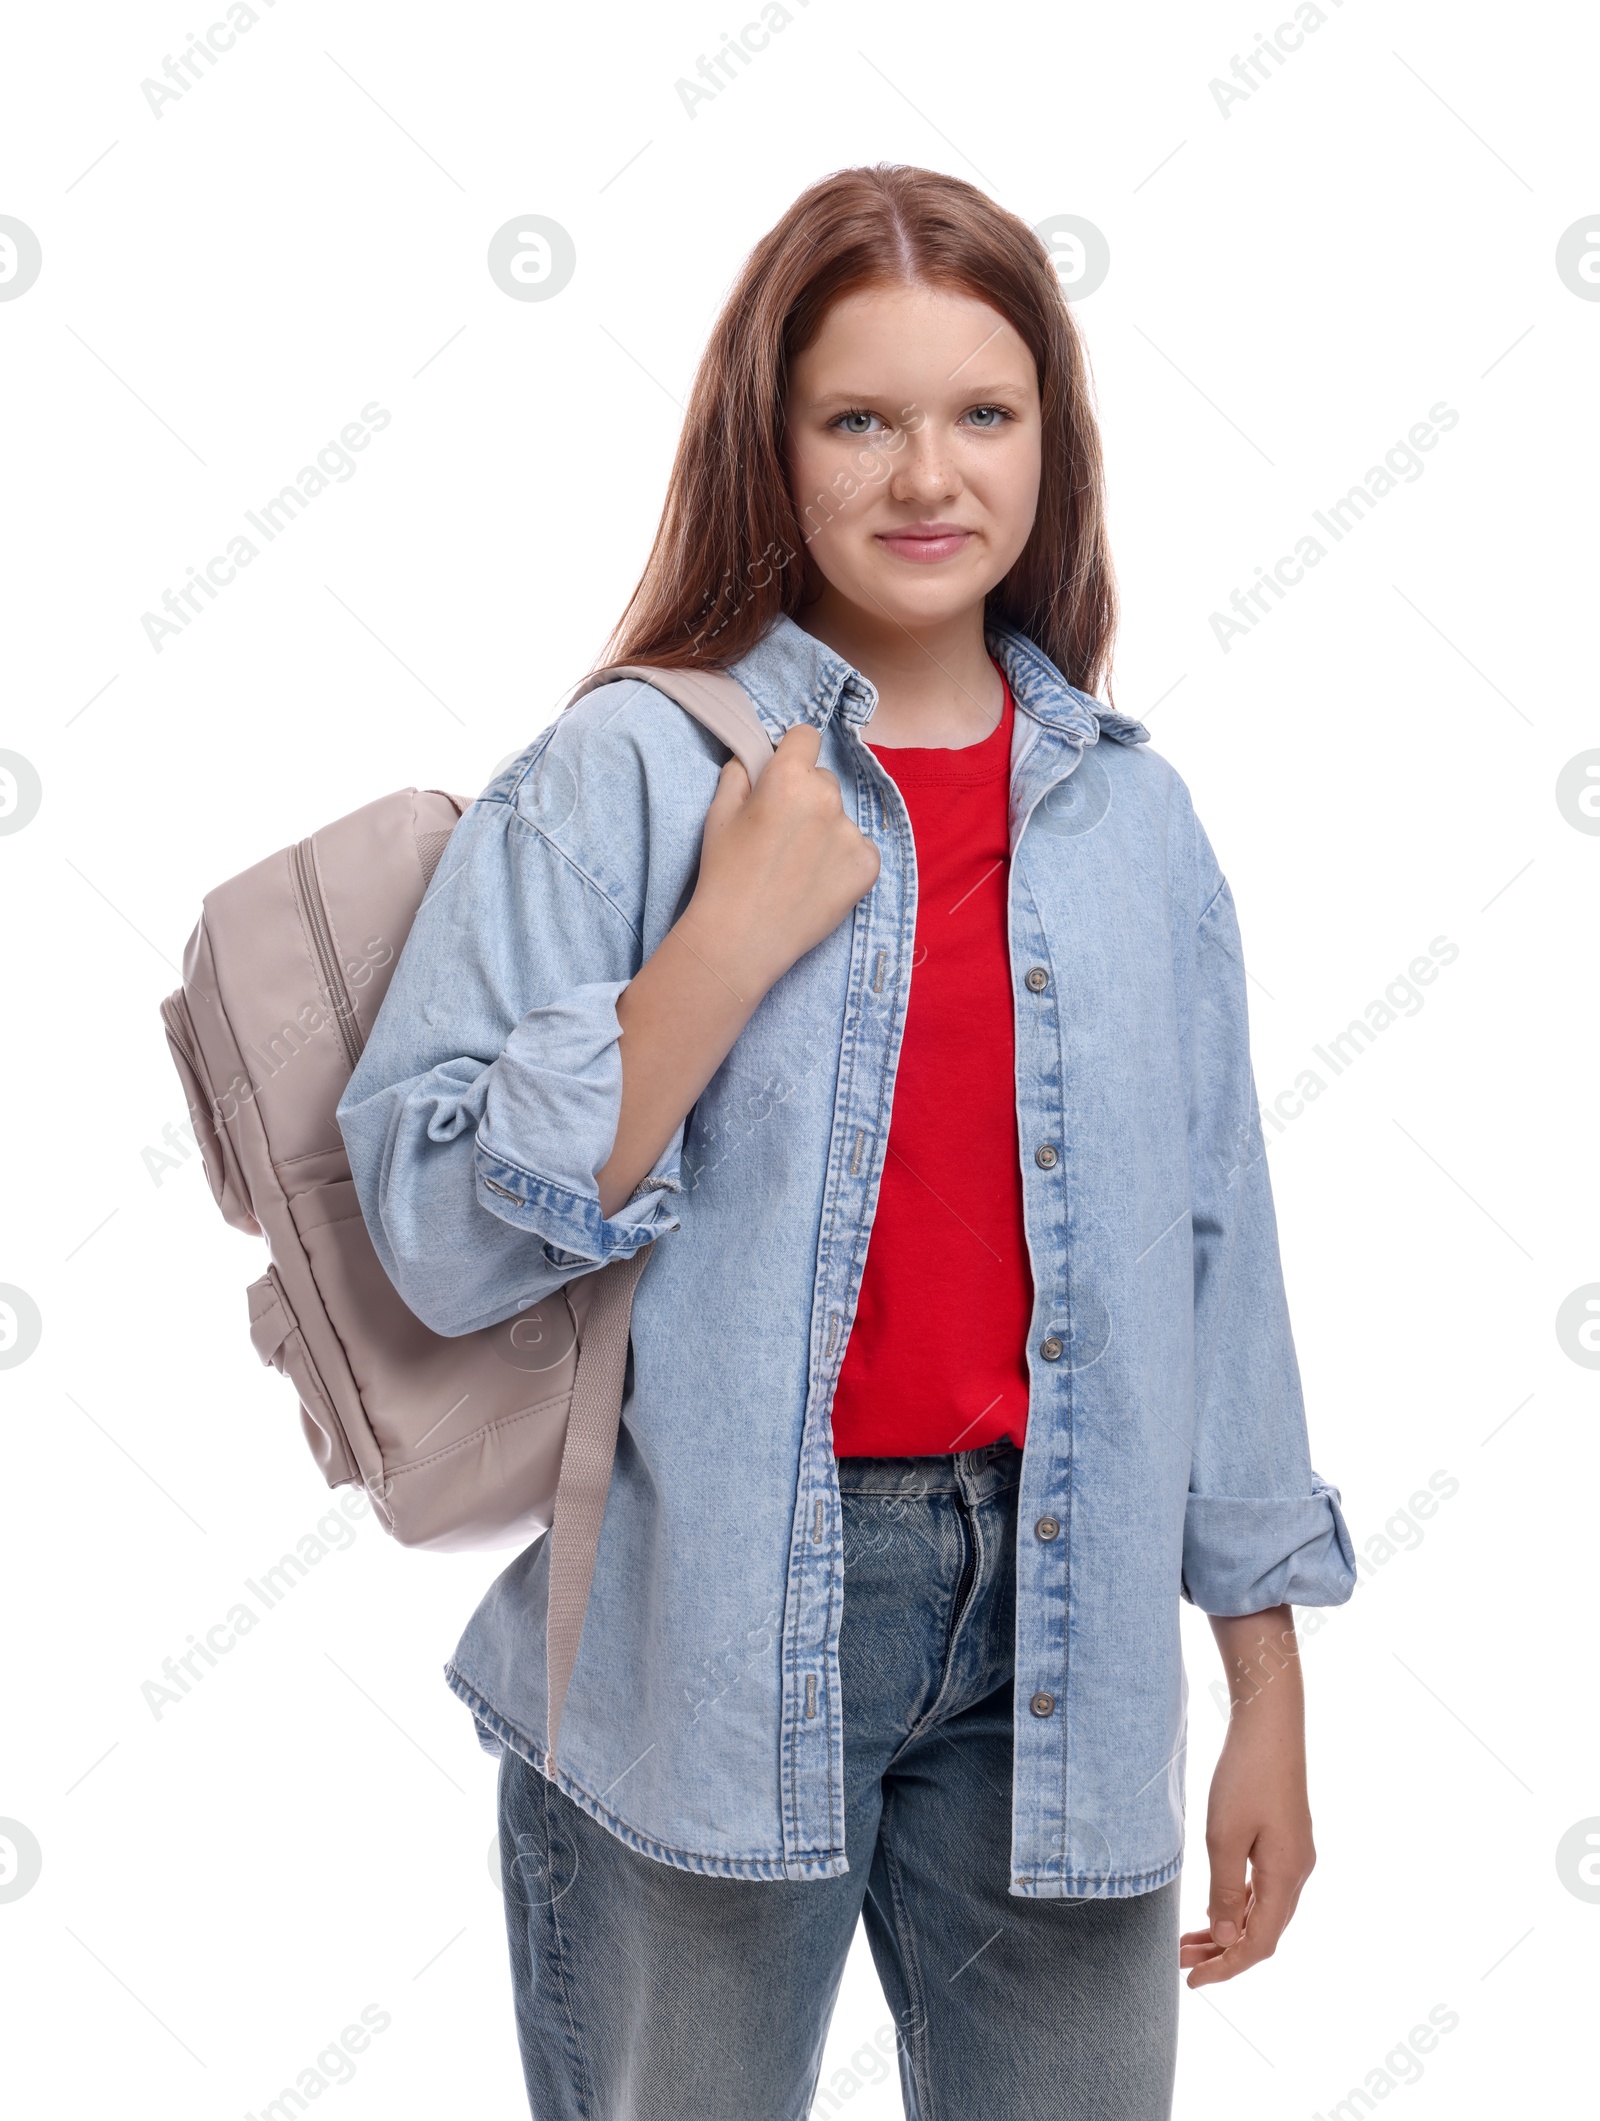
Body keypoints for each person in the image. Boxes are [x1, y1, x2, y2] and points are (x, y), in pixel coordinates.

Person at [337, 162, 1356, 2121]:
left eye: (981, 412)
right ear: (769, 440)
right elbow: (435, 1227)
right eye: (856, 417)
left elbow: (1215, 1255)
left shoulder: (1131, 828)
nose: (924, 473)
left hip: (1066, 1620)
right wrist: (717, 946)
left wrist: (1265, 1684)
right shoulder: (627, 776)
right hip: (709, 1620)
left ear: (1050, 442)